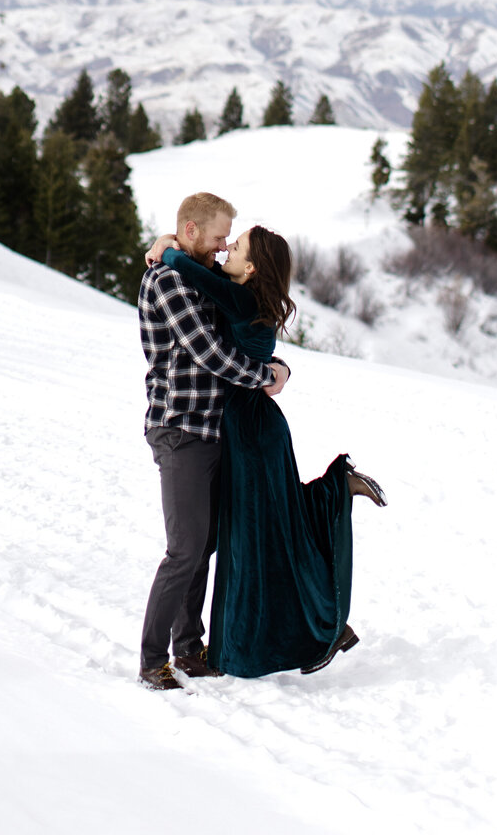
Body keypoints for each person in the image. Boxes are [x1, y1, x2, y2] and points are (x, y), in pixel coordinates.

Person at [146, 222, 386, 680]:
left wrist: (164, 247)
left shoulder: (240, 295)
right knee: (277, 523)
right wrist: (274, 370)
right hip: (256, 424)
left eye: (235, 247)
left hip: (249, 426)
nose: (226, 249)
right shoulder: (256, 300)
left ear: (251, 267)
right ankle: (335, 495)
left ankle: (312, 618)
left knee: (263, 536)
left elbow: (188, 271)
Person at [137, 191, 289, 691]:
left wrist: (277, 365)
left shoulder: (196, 278)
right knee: (184, 549)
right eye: (221, 236)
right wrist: (264, 374)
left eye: (231, 240)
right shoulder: (167, 282)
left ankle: (189, 647)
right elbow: (210, 352)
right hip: (180, 429)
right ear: (192, 230)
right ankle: (152, 661)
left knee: (203, 547)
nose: (225, 248)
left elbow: (246, 326)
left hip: (213, 429)